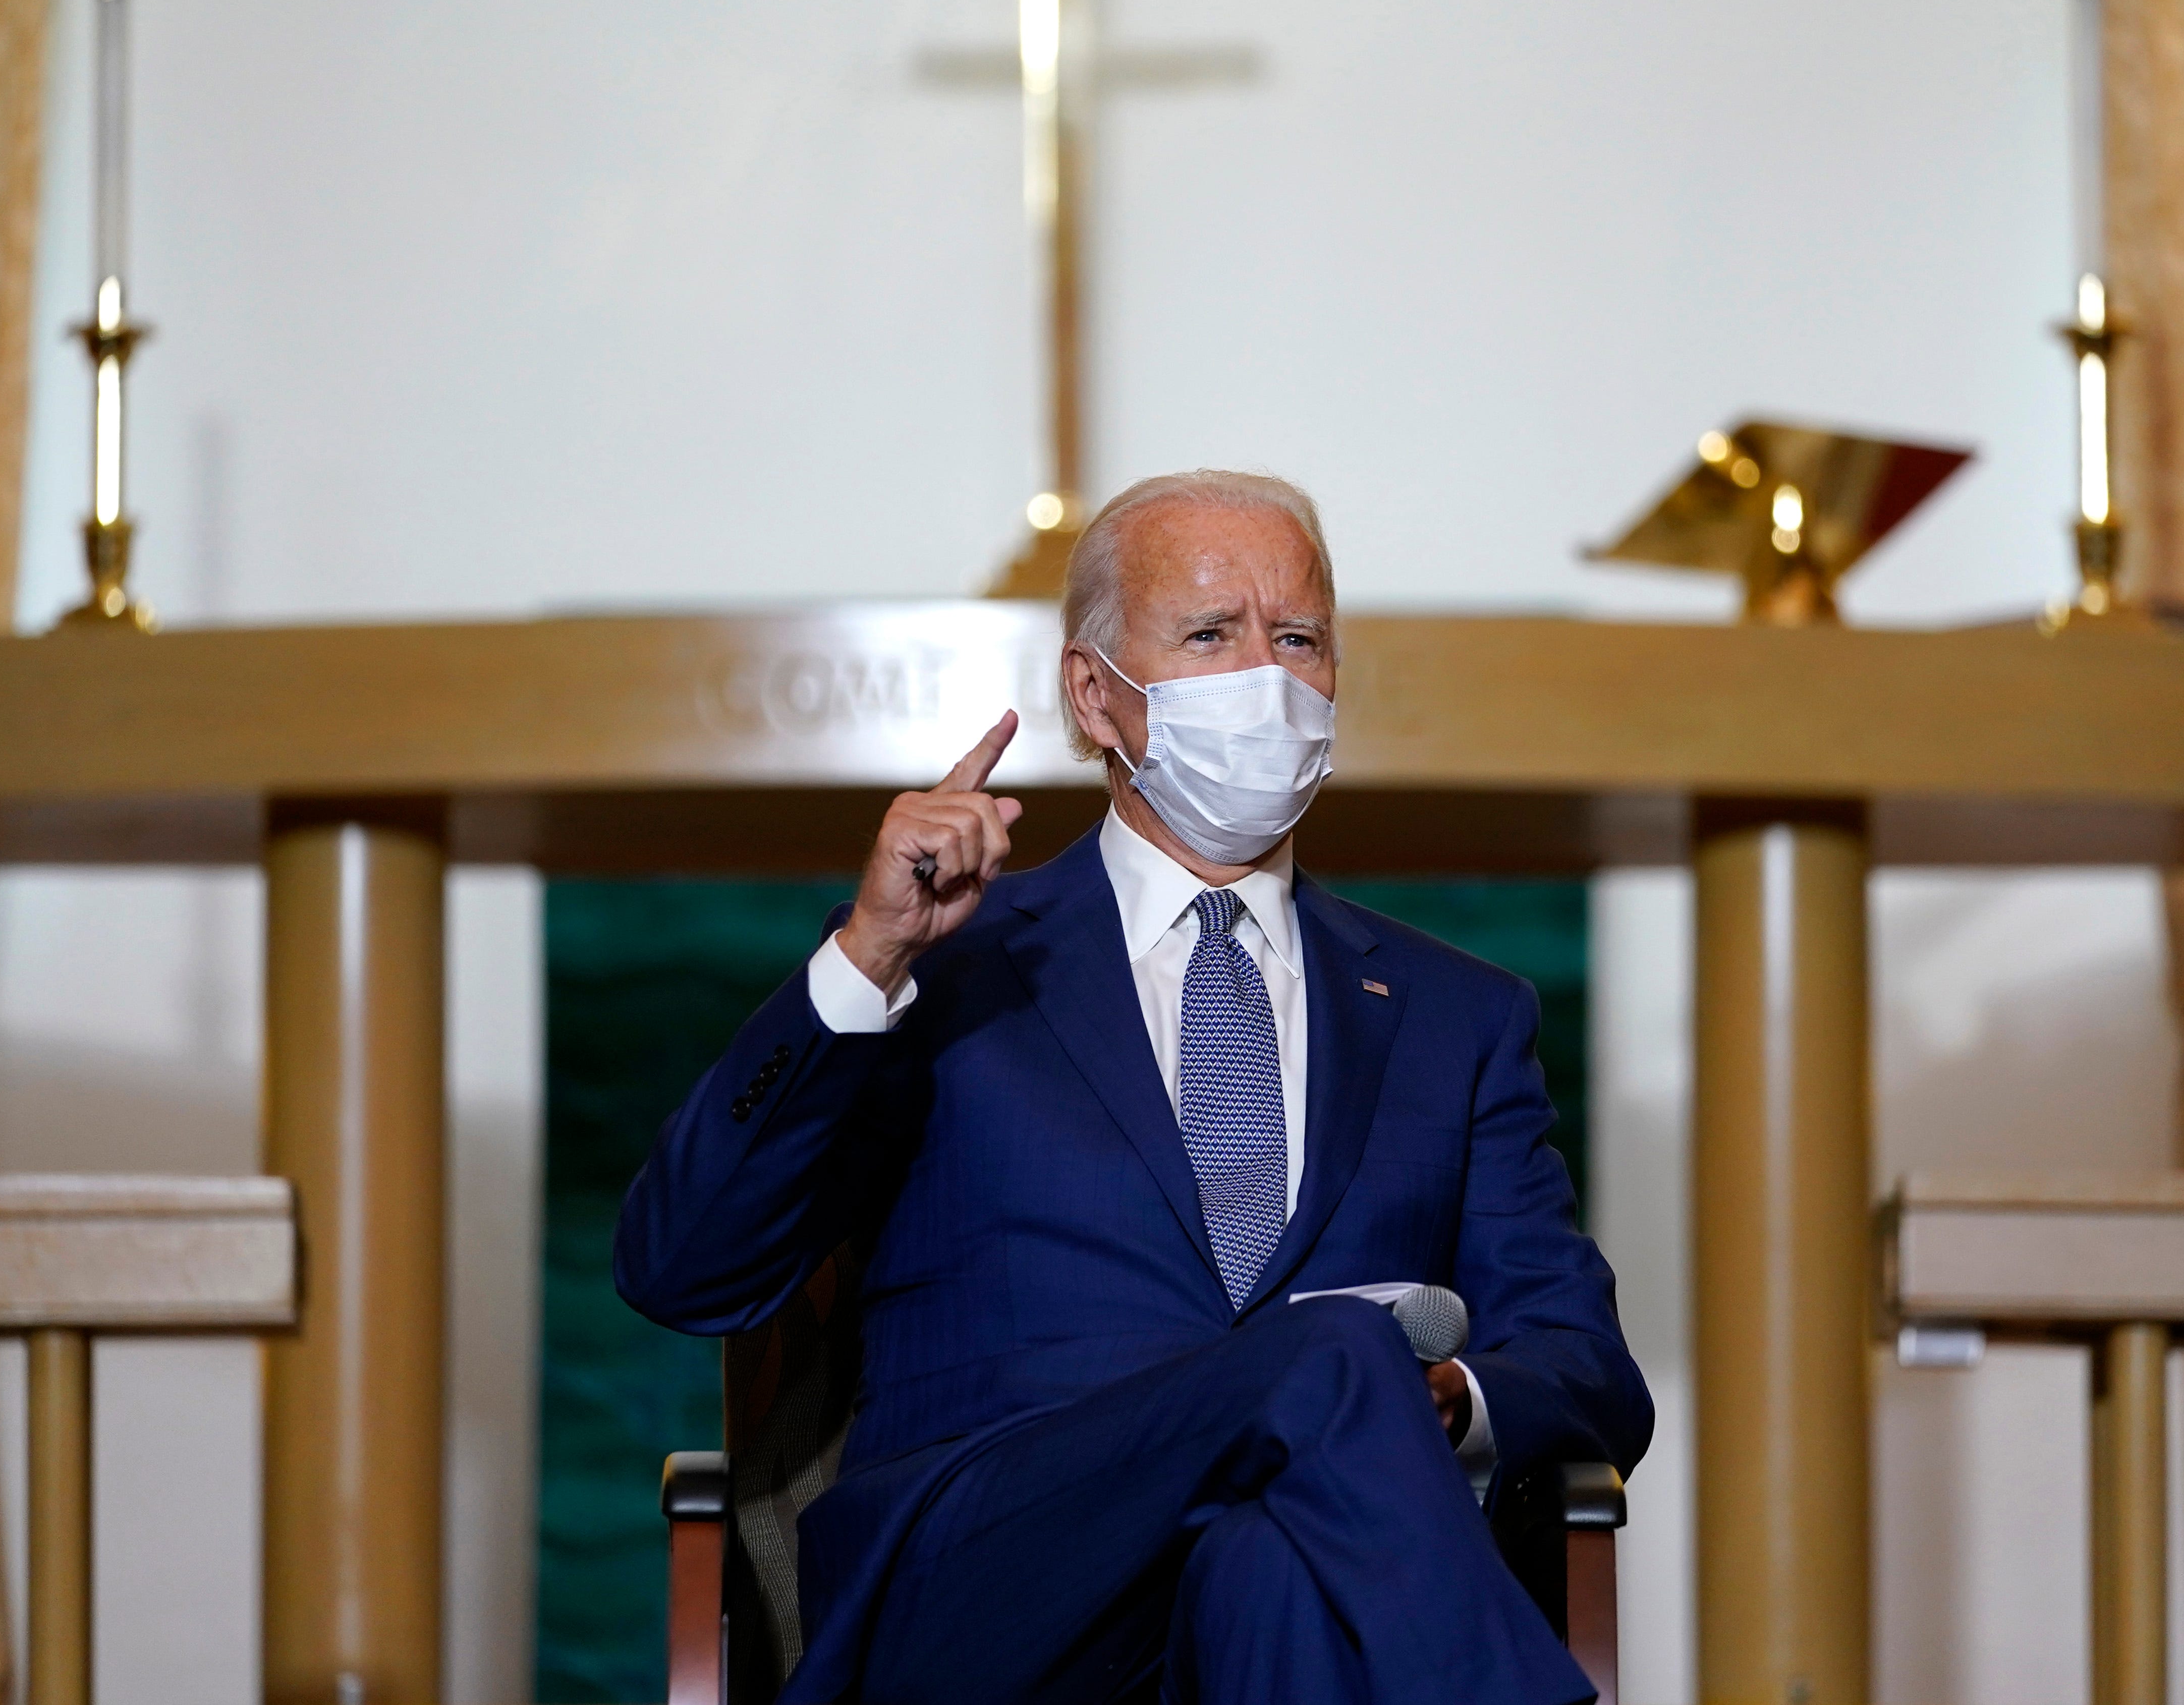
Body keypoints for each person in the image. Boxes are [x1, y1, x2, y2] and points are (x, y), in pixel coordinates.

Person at [617, 469, 1652, 1705]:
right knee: (1329, 1351)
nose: (1267, 673)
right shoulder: (947, 968)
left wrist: (1437, 1402)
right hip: (985, 1587)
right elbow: (681, 1267)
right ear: (1096, 696)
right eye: (1213, 635)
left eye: (1301, 637)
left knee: (1273, 1557)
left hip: (1284, 1591)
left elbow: (1587, 1367)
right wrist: (867, 962)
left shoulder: (1458, 1019)